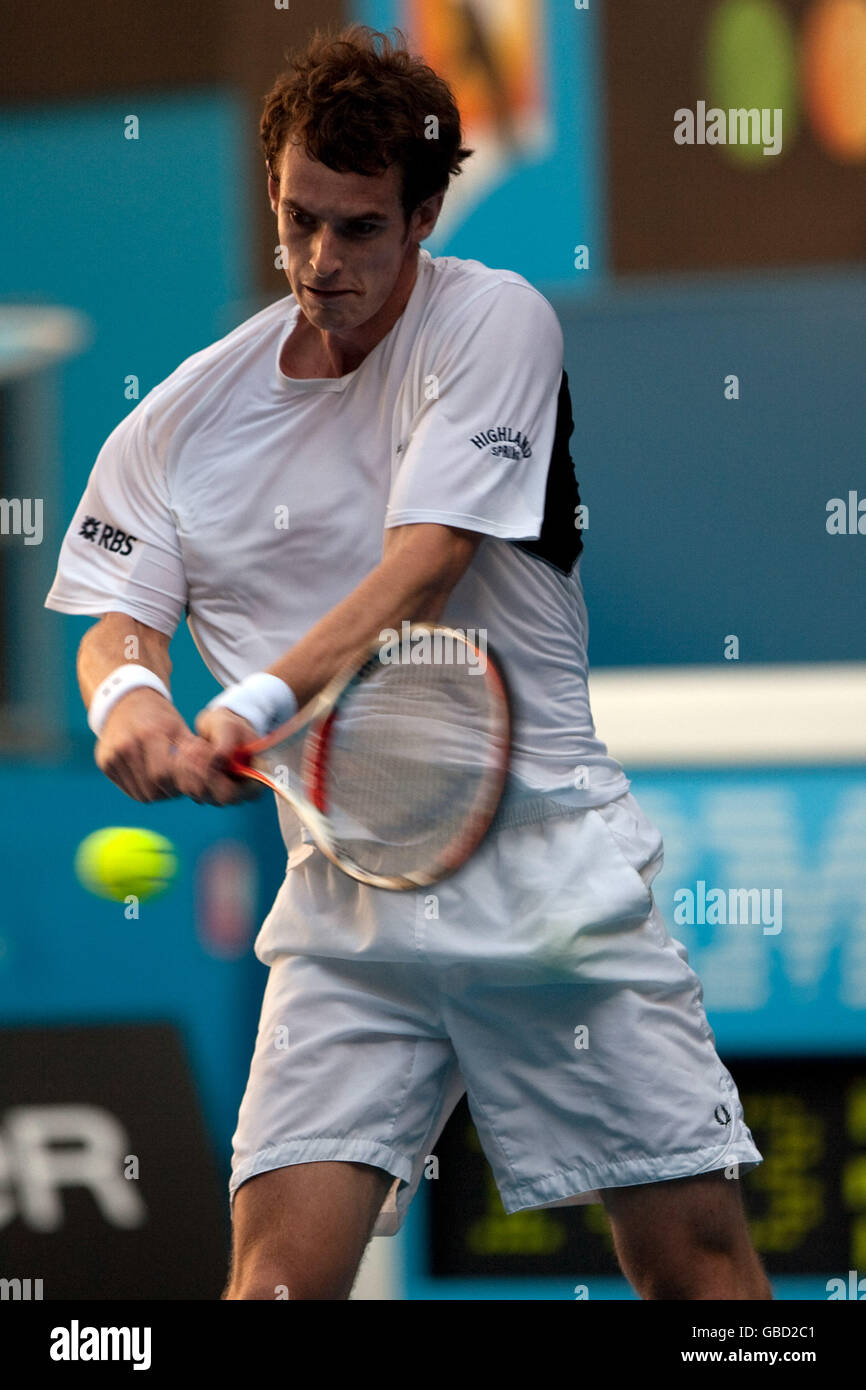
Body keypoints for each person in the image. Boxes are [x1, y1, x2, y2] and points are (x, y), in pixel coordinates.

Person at [45, 24, 770, 1301]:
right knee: (271, 1285)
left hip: (549, 878)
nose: (320, 263)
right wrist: (131, 700)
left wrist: (253, 705)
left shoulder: (494, 321)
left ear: (424, 214)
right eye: (297, 219)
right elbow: (115, 617)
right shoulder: (176, 425)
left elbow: (422, 562)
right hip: (348, 910)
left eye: (360, 229)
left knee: (696, 1276)